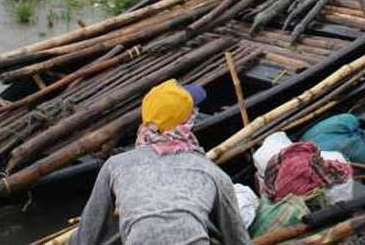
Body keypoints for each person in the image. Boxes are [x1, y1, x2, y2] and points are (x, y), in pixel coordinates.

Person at [70, 80, 250, 245]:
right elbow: (237, 240)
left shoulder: (115, 165)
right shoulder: (212, 172)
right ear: (188, 124)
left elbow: (86, 235)